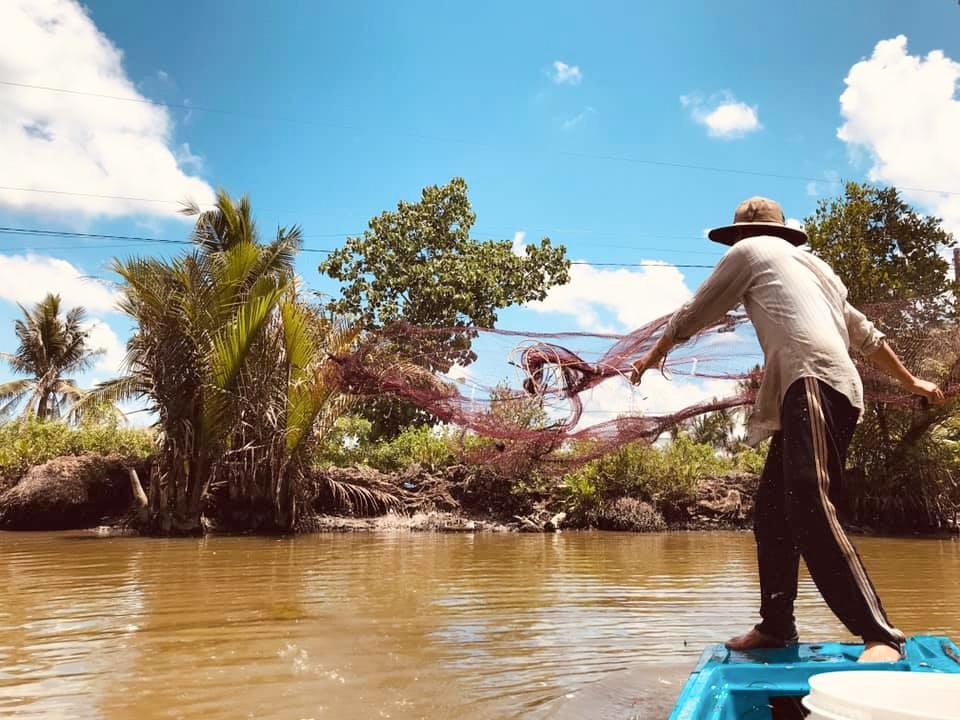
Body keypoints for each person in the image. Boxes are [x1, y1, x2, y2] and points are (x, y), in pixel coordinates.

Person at [629, 196, 944, 663]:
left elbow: (693, 314)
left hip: (812, 380)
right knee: (773, 514)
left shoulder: (747, 252)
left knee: (810, 504)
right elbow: (868, 337)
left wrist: (650, 358)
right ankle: (776, 627)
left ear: (740, 234)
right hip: (834, 389)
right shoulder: (819, 269)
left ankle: (879, 634)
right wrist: (911, 380)